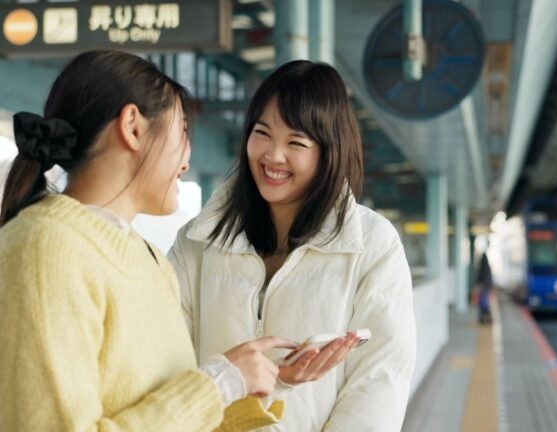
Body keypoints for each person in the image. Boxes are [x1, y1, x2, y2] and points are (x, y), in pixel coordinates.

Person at [0, 50, 292, 431]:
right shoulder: (45, 248)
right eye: (183, 132)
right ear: (133, 126)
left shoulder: (149, 258)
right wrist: (216, 385)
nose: (186, 161)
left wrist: (251, 384)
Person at [169, 60, 417, 431]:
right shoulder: (200, 238)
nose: (273, 156)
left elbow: (380, 383)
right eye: (262, 133)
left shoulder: (371, 245)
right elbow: (169, 358)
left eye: (296, 143)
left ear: (328, 153)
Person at [475, 252, 494, 324]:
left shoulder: (482, 267)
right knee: (484, 303)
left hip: (484, 286)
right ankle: (485, 319)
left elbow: (480, 276)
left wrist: (478, 283)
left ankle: (484, 319)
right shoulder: (487, 266)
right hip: (486, 286)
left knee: (483, 303)